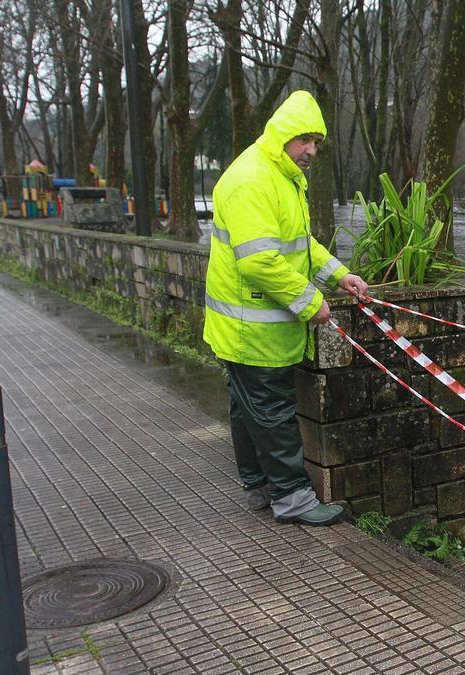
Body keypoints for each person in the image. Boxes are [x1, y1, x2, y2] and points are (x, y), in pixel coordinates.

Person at [204, 90, 368, 527]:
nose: (311, 150)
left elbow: (300, 245)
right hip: (250, 329)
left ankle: (258, 485)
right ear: (281, 135)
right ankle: (292, 500)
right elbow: (258, 260)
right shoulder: (252, 180)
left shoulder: (281, 175)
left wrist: (338, 275)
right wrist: (310, 300)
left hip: (250, 326)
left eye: (316, 141)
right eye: (304, 140)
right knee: (272, 411)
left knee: (248, 409)